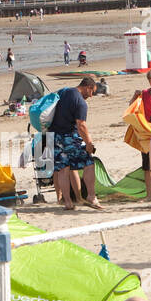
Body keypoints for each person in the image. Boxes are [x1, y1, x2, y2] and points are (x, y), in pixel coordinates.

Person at [50, 76, 101, 211]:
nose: (91, 96)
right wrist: (89, 143)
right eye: (92, 92)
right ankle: (91, 195)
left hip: (55, 136)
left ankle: (67, 202)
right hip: (69, 137)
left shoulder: (66, 92)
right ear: (87, 87)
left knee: (62, 169)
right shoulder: (81, 102)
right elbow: (81, 125)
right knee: (89, 162)